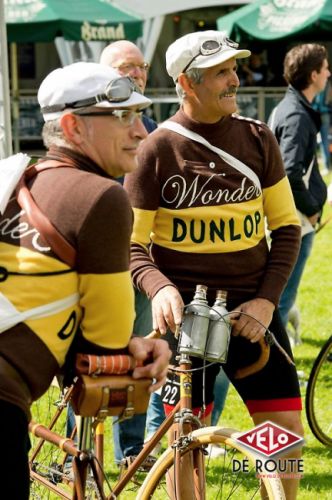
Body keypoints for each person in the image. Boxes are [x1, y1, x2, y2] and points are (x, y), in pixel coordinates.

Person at [124, 30, 303, 499]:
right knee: (186, 441)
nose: (235, 80)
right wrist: (160, 288)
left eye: (234, 69)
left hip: (253, 315)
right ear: (187, 82)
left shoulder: (259, 138)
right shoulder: (155, 151)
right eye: (221, 72)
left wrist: (267, 301)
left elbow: (286, 228)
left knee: (283, 431)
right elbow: (133, 245)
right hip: (187, 320)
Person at [0, 61, 171, 498]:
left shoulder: (19, 178)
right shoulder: (102, 196)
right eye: (122, 117)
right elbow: (107, 338)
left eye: (138, 114)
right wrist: (138, 346)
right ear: (73, 126)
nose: (140, 132)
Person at [100, 40, 166, 464]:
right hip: (104, 262)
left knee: (137, 355)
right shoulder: (99, 125)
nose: (138, 74)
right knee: (93, 359)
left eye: (141, 66)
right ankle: (77, 453)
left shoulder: (153, 128)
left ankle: (129, 451)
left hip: (143, 261)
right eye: (128, 67)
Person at [268, 44, 329, 327]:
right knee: (281, 302)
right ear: (314, 74)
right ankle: (278, 370)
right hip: (297, 221)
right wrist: (311, 209)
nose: (329, 72)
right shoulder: (296, 115)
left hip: (294, 218)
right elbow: (289, 172)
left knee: (281, 299)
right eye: (325, 67)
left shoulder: (293, 108)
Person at [313, 79, 332, 175]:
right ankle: (327, 166)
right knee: (325, 141)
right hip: (326, 113)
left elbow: (318, 101)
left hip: (319, 113)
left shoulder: (319, 83)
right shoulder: (328, 84)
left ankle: (326, 166)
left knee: (322, 141)